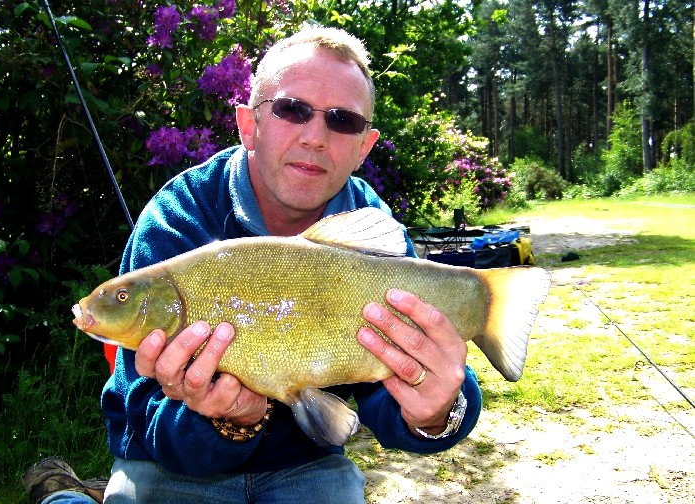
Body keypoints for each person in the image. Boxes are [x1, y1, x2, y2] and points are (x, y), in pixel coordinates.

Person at [24, 25, 482, 504]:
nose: (315, 137)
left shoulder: (367, 226)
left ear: (364, 147)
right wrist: (225, 421)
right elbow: (143, 413)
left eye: (342, 121)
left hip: (304, 458)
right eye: (292, 109)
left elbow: (388, 402)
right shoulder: (179, 217)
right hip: (166, 461)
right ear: (249, 125)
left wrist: (440, 410)